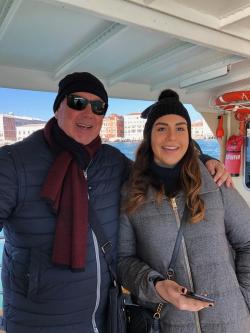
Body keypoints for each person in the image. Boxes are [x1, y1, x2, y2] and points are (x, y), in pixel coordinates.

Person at [0, 73, 231, 333]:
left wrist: (201, 161)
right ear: (58, 107)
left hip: (104, 318)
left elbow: (158, 168)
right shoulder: (12, 163)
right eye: (78, 102)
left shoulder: (111, 161)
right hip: (39, 320)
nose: (88, 113)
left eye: (98, 107)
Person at [118, 89, 250, 332]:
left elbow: (248, 241)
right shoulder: (132, 193)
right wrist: (156, 286)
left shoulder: (215, 181)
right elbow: (124, 260)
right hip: (169, 324)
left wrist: (244, 299)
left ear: (189, 135)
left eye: (180, 128)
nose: (172, 137)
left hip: (234, 323)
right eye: (161, 128)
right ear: (149, 136)